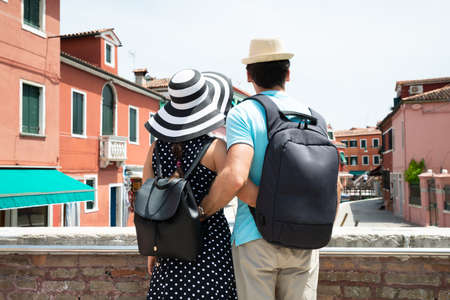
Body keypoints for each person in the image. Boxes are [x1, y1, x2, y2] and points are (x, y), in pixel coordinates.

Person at [202, 38, 336, 300]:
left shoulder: (244, 113)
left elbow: (235, 177)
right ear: (288, 73)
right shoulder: (315, 117)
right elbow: (333, 185)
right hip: (305, 238)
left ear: (249, 75)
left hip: (255, 237)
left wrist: (202, 211)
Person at [141, 68, 256, 300]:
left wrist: (152, 247)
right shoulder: (216, 148)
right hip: (211, 243)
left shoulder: (155, 149)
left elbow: (146, 199)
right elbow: (236, 185)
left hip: (169, 244)